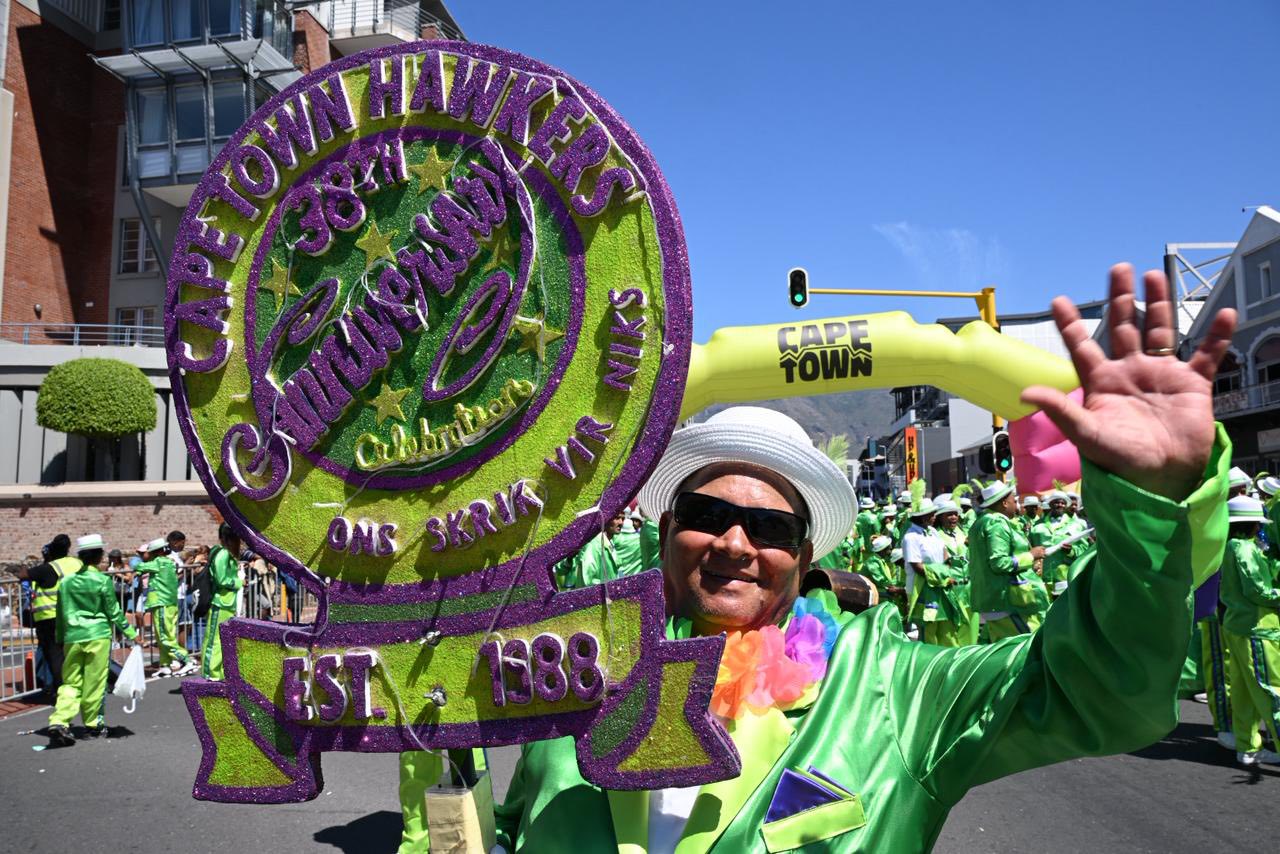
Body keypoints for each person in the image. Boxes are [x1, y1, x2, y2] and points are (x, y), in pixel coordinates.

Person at [491, 263, 1239, 851]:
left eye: (768, 528)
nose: (734, 543)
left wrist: (1153, 494)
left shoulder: (896, 694)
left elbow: (1104, 688)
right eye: (708, 515)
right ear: (664, 530)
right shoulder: (579, 676)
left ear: (805, 554)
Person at [46, 535, 137, 746]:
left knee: (70, 682)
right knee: (94, 683)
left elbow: (60, 613)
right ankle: (93, 725)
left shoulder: (66, 582)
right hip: (97, 635)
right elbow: (114, 612)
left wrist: (60, 637)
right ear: (98, 556)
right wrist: (132, 634)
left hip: (72, 636)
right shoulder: (102, 580)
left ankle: (59, 721)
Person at [1218, 494, 1280, 766]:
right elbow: (1258, 590)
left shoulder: (1233, 546)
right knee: (1271, 691)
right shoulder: (1243, 548)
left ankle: (1247, 746)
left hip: (1238, 626)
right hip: (1257, 629)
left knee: (1244, 693)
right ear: (1252, 524)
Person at [16, 534, 78, 699]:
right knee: (73, 654)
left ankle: (62, 692)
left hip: (49, 618)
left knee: (55, 657)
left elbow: (23, 574)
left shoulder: (48, 568)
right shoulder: (76, 563)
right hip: (74, 614)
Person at [136, 537, 197, 677]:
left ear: (154, 552)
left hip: (162, 603)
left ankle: (187, 660)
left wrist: (143, 560)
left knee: (164, 637)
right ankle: (165, 665)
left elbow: (139, 567)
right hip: (170, 603)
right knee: (162, 635)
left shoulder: (158, 562)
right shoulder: (170, 562)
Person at [934, 499, 978, 645]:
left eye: (955, 514)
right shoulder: (935, 536)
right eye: (948, 515)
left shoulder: (963, 533)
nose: (953, 517)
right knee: (951, 632)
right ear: (940, 517)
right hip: (950, 589)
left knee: (971, 628)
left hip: (969, 588)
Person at [202, 523, 243, 680]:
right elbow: (221, 578)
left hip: (227, 603)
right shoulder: (222, 554)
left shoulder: (226, 553)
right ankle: (210, 673)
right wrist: (238, 582)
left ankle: (217, 672)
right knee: (214, 639)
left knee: (221, 638)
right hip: (220, 603)